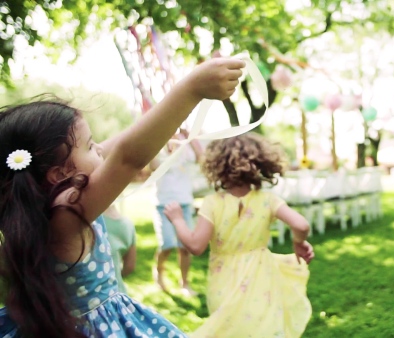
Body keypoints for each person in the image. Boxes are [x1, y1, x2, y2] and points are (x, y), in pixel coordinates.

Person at [0, 57, 245, 337]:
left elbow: (117, 146)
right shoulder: (66, 214)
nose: (100, 151)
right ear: (57, 174)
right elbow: (127, 157)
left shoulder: (25, 209)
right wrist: (190, 89)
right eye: (90, 146)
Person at [164, 133, 314, 338]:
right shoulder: (268, 200)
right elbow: (301, 225)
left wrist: (178, 220)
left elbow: (195, 246)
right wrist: (299, 242)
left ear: (216, 167)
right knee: (263, 329)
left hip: (223, 282)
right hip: (261, 279)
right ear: (261, 165)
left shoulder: (213, 203)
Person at [150, 129, 203, 296]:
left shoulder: (185, 153)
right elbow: (152, 167)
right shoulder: (158, 152)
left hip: (184, 204)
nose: (173, 137)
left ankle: (185, 283)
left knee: (184, 248)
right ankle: (158, 272)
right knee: (167, 245)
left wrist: (191, 138)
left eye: (175, 134)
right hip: (163, 205)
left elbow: (201, 158)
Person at [102, 204, 136, 294]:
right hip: (118, 295)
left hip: (90, 302)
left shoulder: (91, 222)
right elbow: (129, 266)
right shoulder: (128, 223)